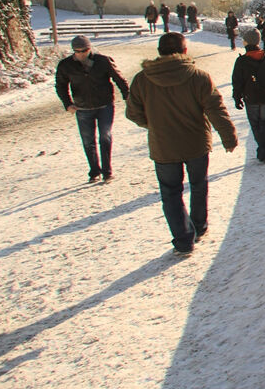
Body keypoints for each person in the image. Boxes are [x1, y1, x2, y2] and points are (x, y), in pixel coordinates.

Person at [126, 32, 238, 254]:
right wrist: (228, 136)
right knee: (198, 185)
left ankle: (183, 239)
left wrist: (153, 125)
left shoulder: (142, 79)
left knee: (170, 193)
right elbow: (215, 109)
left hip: (163, 146)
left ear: (159, 52)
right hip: (195, 143)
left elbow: (133, 113)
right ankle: (199, 226)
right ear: (185, 51)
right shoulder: (198, 77)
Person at [55, 35, 130, 183]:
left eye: (84, 50)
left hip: (105, 105)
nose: (81, 53)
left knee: (105, 137)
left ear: (90, 49)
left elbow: (119, 78)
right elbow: (60, 86)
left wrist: (127, 96)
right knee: (88, 140)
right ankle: (94, 171)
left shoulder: (102, 61)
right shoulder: (66, 65)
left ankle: (107, 171)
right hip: (82, 107)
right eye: (77, 51)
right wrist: (67, 103)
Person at [232, 29, 265, 163]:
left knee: (255, 125)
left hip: (251, 98)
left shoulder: (242, 61)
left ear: (246, 42)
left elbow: (237, 82)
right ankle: (263, 151)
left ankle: (261, 149)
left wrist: (237, 98)